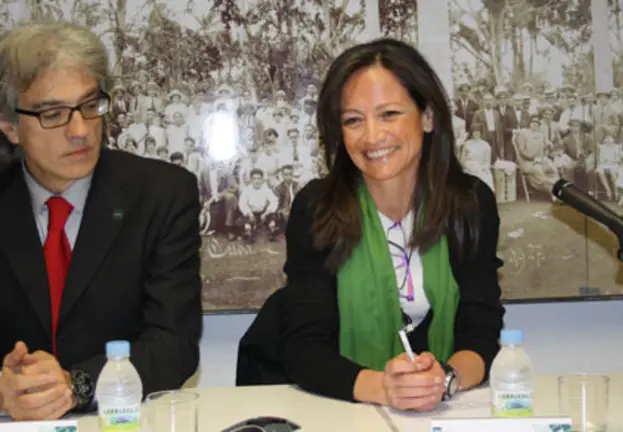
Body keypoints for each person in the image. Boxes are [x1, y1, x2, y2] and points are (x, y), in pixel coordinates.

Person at [241, 38, 505, 411]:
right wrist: (387, 388)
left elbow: (481, 329)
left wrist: (443, 379)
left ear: (427, 116)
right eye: (353, 120)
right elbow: (306, 348)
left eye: (389, 114)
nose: (372, 136)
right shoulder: (317, 208)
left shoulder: (470, 203)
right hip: (337, 408)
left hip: (441, 410)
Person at [0, 22, 202, 420]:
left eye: (90, 105)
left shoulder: (161, 194)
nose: (81, 131)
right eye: (53, 114)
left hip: (117, 421)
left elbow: (174, 347)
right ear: (10, 128)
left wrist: (76, 385)